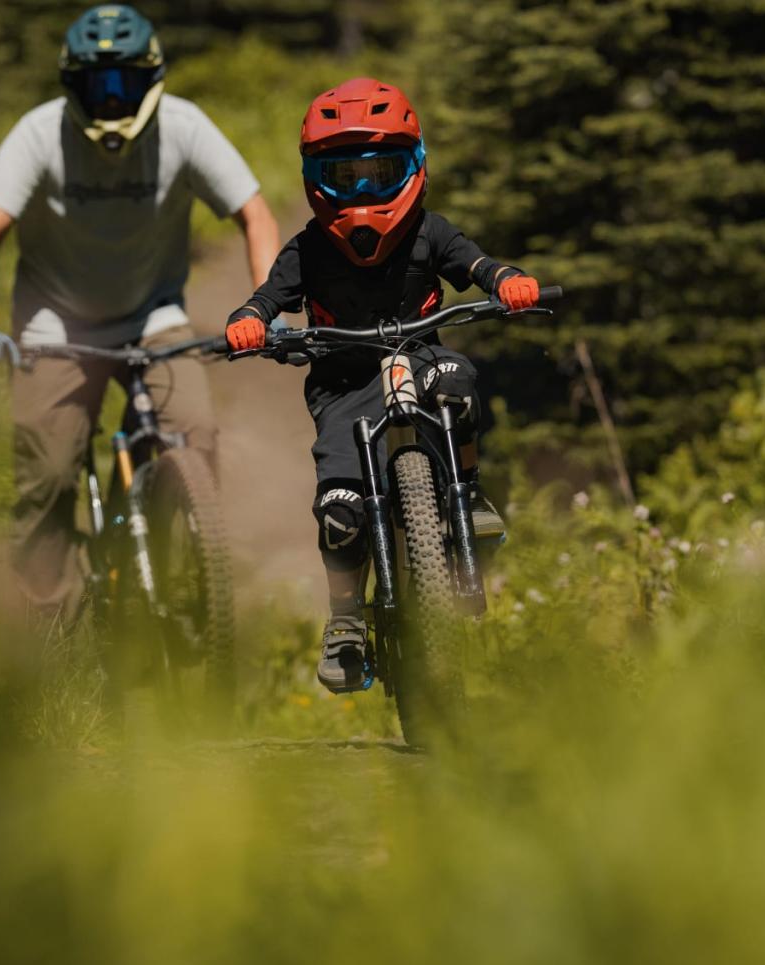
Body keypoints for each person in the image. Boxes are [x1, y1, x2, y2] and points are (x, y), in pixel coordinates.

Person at [0, 4, 279, 617]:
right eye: (96, 84)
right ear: (71, 85)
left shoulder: (183, 127)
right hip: (54, 326)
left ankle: (158, 567)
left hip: (153, 316)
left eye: (125, 83)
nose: (111, 100)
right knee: (49, 475)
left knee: (197, 437)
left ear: (151, 79)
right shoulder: (39, 133)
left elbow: (255, 212)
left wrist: (264, 307)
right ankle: (45, 622)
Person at [224, 77, 539, 690]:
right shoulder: (308, 249)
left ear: (414, 167)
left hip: (420, 359)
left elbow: (478, 266)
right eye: (346, 177)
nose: (364, 191)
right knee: (339, 513)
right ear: (316, 178)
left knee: (458, 382)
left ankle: (467, 494)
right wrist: (249, 321)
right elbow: (267, 298)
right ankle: (345, 618)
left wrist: (507, 281)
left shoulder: (431, 231)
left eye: (381, 171)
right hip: (343, 384)